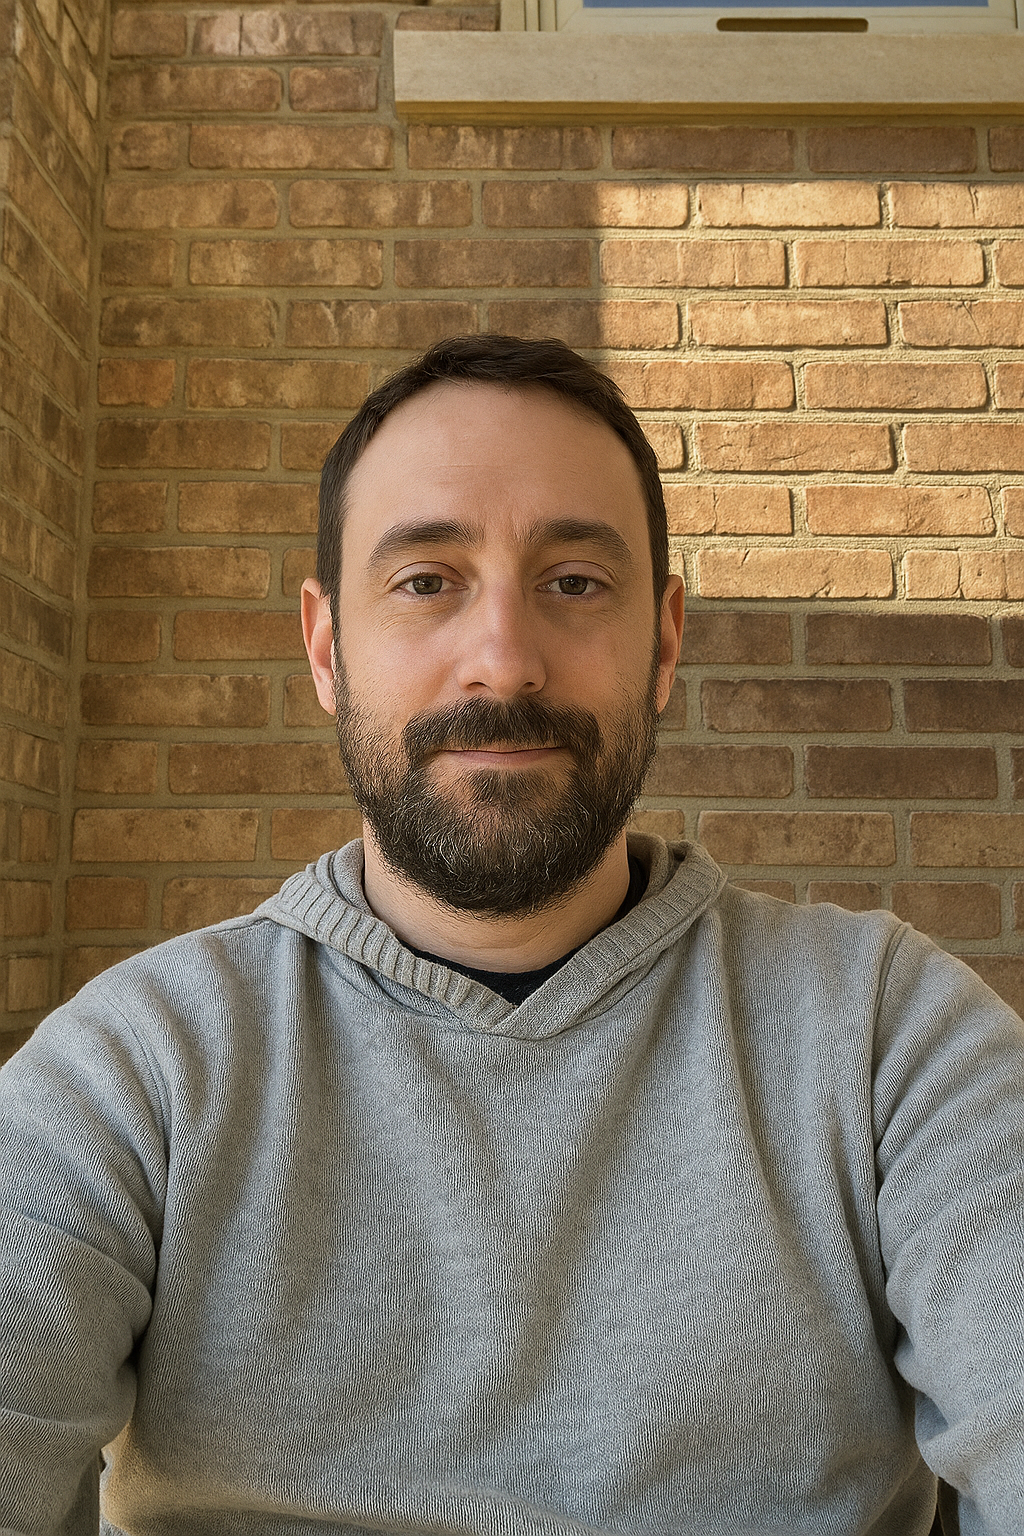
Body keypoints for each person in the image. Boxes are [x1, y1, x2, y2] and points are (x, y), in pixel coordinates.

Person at [0, 335, 1021, 1536]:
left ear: (665, 640)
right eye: (427, 579)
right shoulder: (139, 1069)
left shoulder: (888, 1039)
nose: (503, 658)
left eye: (575, 582)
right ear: (327, 646)